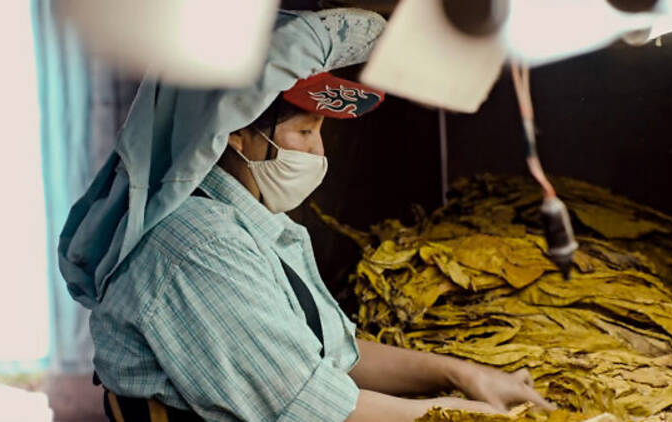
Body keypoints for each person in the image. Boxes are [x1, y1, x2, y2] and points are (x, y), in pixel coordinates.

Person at [58, 8, 554, 422]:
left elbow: (330, 355)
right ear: (234, 131)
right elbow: (307, 404)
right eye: (304, 133)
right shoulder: (195, 247)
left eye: (321, 134)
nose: (318, 154)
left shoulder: (250, 222)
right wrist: (453, 413)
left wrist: (461, 374)